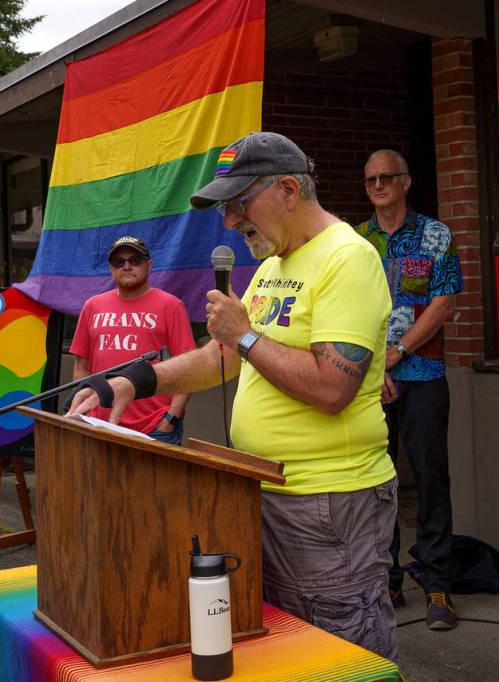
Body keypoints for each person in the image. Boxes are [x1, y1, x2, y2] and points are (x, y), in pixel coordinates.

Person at [67, 132, 399, 662]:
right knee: (286, 653)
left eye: (239, 203)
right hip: (263, 489)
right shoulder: (271, 266)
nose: (229, 222)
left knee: (340, 656)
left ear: (288, 189)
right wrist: (134, 381)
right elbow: (225, 357)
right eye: (225, 208)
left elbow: (332, 387)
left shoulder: (347, 258)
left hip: (330, 503)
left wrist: (245, 334)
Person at [354, 149, 463, 630]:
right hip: (372, 382)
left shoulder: (435, 235)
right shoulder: (356, 242)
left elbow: (445, 304)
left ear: (405, 182)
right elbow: (351, 309)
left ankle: (437, 583)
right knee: (378, 481)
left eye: (386, 178)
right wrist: (375, 368)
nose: (378, 186)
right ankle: (387, 579)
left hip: (423, 376)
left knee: (431, 476)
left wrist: (396, 354)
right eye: (370, 180)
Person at [68, 236, 195, 444]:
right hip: (100, 424)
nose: (126, 266)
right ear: (111, 268)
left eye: (135, 260)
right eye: (119, 262)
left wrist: (170, 418)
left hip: (154, 428)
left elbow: (188, 369)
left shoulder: (171, 306)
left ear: (149, 265)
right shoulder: (92, 306)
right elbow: (81, 368)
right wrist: (86, 411)